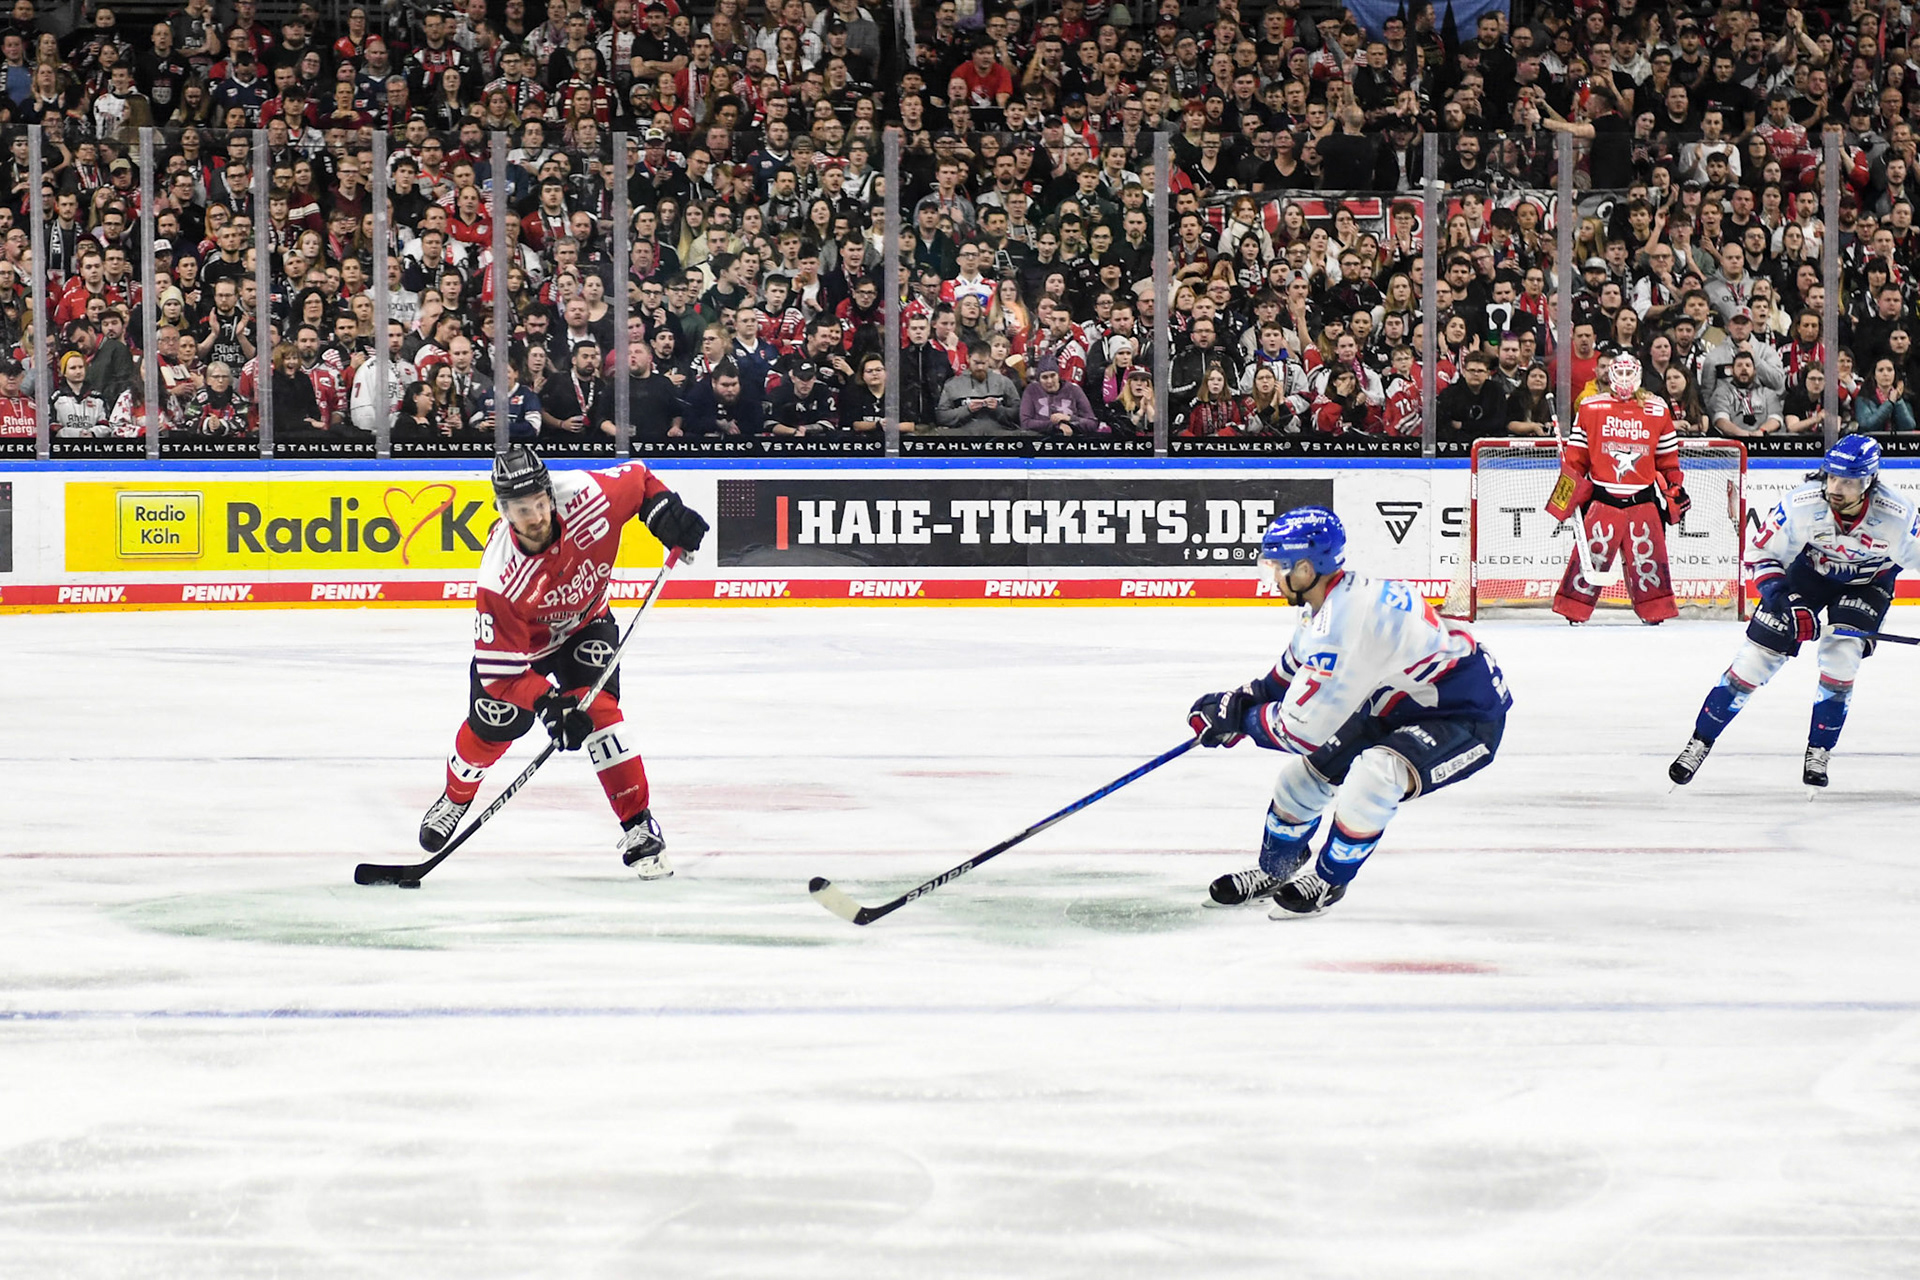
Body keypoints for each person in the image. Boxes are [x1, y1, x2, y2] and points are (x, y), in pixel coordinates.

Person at [1188, 507, 1511, 917]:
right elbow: (1288, 673)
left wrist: (1241, 724)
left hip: (1465, 715)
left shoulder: (1345, 625)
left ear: (1305, 569)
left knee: (1374, 777)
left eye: (1277, 568)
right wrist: (1239, 700)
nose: (1272, 578)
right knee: (1299, 782)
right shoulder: (1330, 601)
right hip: (1396, 703)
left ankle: (1328, 881)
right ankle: (1275, 871)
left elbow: (1301, 731)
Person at [419, 446, 711, 876]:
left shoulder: (586, 496)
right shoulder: (499, 577)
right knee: (495, 726)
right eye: (522, 510)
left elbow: (639, 478)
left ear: (550, 495)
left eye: (540, 503)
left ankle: (639, 826)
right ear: (504, 511)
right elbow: (500, 675)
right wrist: (548, 705)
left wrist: (663, 511)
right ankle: (455, 797)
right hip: (524, 652)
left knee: (599, 711)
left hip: (586, 625)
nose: (536, 517)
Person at [1670, 437, 1920, 789]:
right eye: (1832, 477)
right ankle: (1700, 741)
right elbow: (1759, 554)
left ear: (1868, 482)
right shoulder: (1801, 505)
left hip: (1868, 585)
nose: (1836, 488)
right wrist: (1788, 601)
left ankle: (1819, 749)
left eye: (1848, 481)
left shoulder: (1898, 516)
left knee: (1841, 656)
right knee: (1754, 661)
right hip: (1807, 577)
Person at [1544, 353, 1687, 626]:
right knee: (1592, 554)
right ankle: (1573, 607)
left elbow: (1668, 460)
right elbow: (1576, 460)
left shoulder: (1658, 409)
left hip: (1642, 500)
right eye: (1618, 373)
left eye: (1628, 373)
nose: (1624, 379)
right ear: (1609, 375)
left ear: (1639, 375)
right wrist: (1564, 497)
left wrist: (1675, 488)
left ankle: (1654, 609)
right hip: (1602, 500)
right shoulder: (1590, 407)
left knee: (1647, 560)